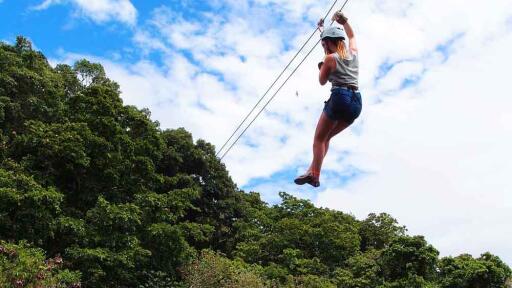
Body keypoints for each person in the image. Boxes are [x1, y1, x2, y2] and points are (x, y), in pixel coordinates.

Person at [294, 12, 362, 187]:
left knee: (318, 140)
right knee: (326, 139)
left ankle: (315, 175)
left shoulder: (330, 59)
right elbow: (351, 36)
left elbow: (322, 81)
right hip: (356, 103)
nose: (323, 48)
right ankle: (311, 171)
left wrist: (322, 68)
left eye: (324, 45)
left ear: (330, 43)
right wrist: (342, 22)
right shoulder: (353, 53)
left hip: (340, 98)